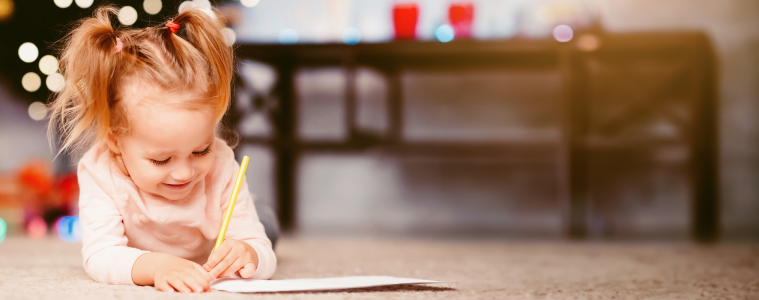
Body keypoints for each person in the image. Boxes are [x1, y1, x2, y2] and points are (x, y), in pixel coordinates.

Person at [46, 5, 277, 293]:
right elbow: (99, 256)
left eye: (201, 151)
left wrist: (250, 252)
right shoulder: (99, 171)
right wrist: (156, 267)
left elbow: (264, 256)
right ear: (115, 141)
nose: (183, 173)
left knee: (265, 228)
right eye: (161, 159)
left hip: (223, 232)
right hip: (153, 254)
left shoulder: (222, 164)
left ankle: (262, 213)